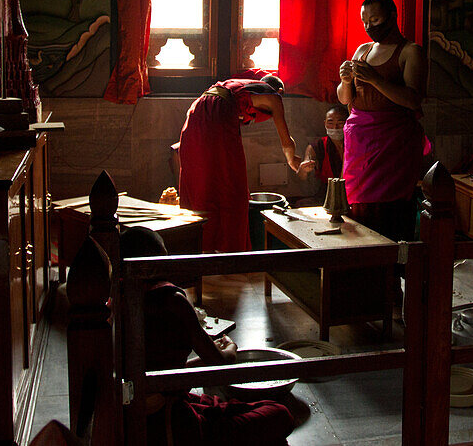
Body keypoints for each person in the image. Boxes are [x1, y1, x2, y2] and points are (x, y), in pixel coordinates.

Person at [120, 227, 295, 446]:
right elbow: (219, 364)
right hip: (172, 425)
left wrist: (209, 355)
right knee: (279, 414)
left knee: (218, 404)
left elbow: (165, 370)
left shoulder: (119, 298)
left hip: (138, 412)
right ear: (158, 261)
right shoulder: (172, 300)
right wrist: (230, 349)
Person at [178, 73, 307, 252]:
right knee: (233, 188)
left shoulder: (237, 88)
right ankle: (232, 253)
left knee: (201, 185)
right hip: (218, 114)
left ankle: (199, 248)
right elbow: (287, 141)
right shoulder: (273, 95)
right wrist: (292, 159)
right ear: (277, 90)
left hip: (195, 113)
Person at [337, 0, 428, 244]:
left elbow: (413, 99)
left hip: (393, 145)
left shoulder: (411, 52)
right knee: (358, 207)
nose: (369, 27)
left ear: (392, 17)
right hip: (360, 144)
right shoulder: (362, 50)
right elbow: (346, 98)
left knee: (390, 208)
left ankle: (390, 270)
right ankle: (361, 266)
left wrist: (376, 80)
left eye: (375, 19)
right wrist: (345, 80)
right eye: (365, 21)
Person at [296, 104, 347, 184]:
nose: (335, 127)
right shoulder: (317, 146)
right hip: (326, 191)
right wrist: (303, 169)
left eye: (340, 123)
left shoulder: (355, 144)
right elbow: (302, 177)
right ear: (325, 123)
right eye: (330, 123)